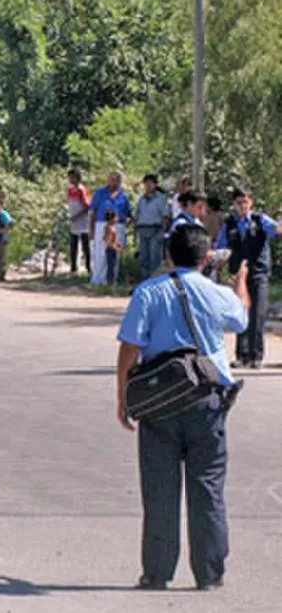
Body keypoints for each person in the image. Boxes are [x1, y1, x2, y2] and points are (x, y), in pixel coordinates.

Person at [116, 223, 249, 592]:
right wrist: (241, 285)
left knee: (159, 489)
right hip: (207, 401)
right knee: (207, 487)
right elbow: (241, 318)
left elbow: (129, 347)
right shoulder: (216, 292)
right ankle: (209, 574)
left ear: (169, 255)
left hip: (159, 401)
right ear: (207, 258)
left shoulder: (147, 293)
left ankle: (157, 573)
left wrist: (122, 398)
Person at [215, 188, 280, 369]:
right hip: (238, 275)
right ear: (234, 204)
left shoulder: (260, 220)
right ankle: (242, 355)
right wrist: (218, 265)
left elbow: (276, 231)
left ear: (251, 202)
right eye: (239, 202)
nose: (242, 205)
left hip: (259, 272)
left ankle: (256, 355)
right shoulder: (229, 224)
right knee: (240, 313)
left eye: (245, 201)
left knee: (257, 314)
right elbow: (222, 247)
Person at [89, 172, 132, 286]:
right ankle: (98, 280)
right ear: (108, 180)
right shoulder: (99, 193)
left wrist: (124, 228)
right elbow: (92, 213)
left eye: (116, 180)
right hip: (101, 224)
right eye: (112, 179)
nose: (114, 182)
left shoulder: (124, 196)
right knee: (100, 253)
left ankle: (112, 280)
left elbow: (128, 214)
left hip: (118, 225)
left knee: (115, 254)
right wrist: (91, 230)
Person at [135, 174, 167, 281]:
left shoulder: (161, 199)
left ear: (155, 184)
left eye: (151, 183)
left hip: (155, 229)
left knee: (155, 257)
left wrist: (163, 231)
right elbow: (137, 215)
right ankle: (145, 280)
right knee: (144, 257)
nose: (148, 186)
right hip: (142, 229)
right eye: (146, 183)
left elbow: (165, 216)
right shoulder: (141, 200)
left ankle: (155, 281)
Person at [66, 170, 92, 275]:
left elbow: (87, 207)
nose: (71, 180)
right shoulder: (70, 190)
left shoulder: (82, 190)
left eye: (73, 177)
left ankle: (88, 267)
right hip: (73, 221)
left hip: (83, 221)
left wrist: (77, 216)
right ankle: (73, 268)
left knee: (86, 245)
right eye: (70, 177)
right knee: (73, 245)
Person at [103, 210, 124, 287]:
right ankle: (110, 284)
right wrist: (116, 248)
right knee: (110, 267)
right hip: (110, 250)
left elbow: (115, 239)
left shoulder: (113, 227)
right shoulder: (108, 228)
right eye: (116, 217)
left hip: (114, 249)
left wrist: (118, 245)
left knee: (114, 266)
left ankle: (112, 282)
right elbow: (107, 240)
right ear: (111, 218)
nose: (117, 218)